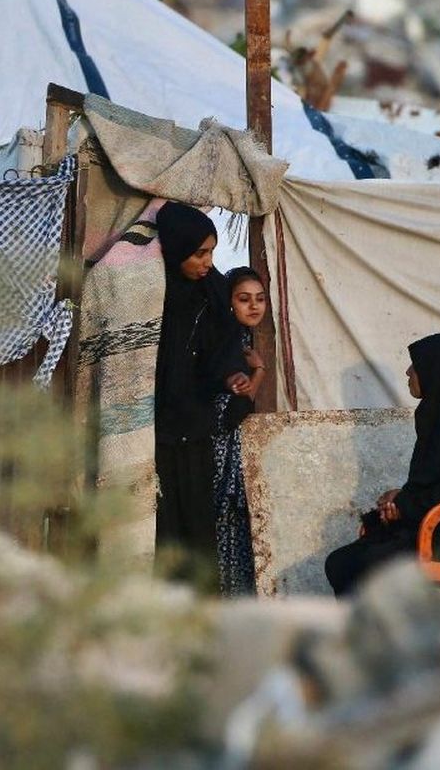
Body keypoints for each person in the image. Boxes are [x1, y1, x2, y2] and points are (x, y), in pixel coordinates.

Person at [323, 333, 440, 598]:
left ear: (435, 368)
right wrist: (401, 499)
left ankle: (378, 636)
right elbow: (438, 481)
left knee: (365, 563)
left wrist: (404, 507)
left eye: (416, 364)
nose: (409, 371)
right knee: (340, 561)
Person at [153, 202, 252, 591]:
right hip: (157, 426)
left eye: (211, 252)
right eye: (200, 253)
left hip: (195, 424)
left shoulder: (211, 291)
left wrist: (231, 375)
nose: (208, 262)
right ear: (176, 250)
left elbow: (222, 347)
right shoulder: (150, 291)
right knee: (161, 521)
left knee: (196, 519)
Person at [210, 266, 266, 597]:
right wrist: (259, 369)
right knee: (226, 518)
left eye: (259, 299)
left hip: (229, 443)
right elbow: (236, 407)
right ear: (230, 302)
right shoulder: (229, 340)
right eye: (244, 299)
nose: (254, 306)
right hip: (219, 444)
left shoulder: (242, 337)